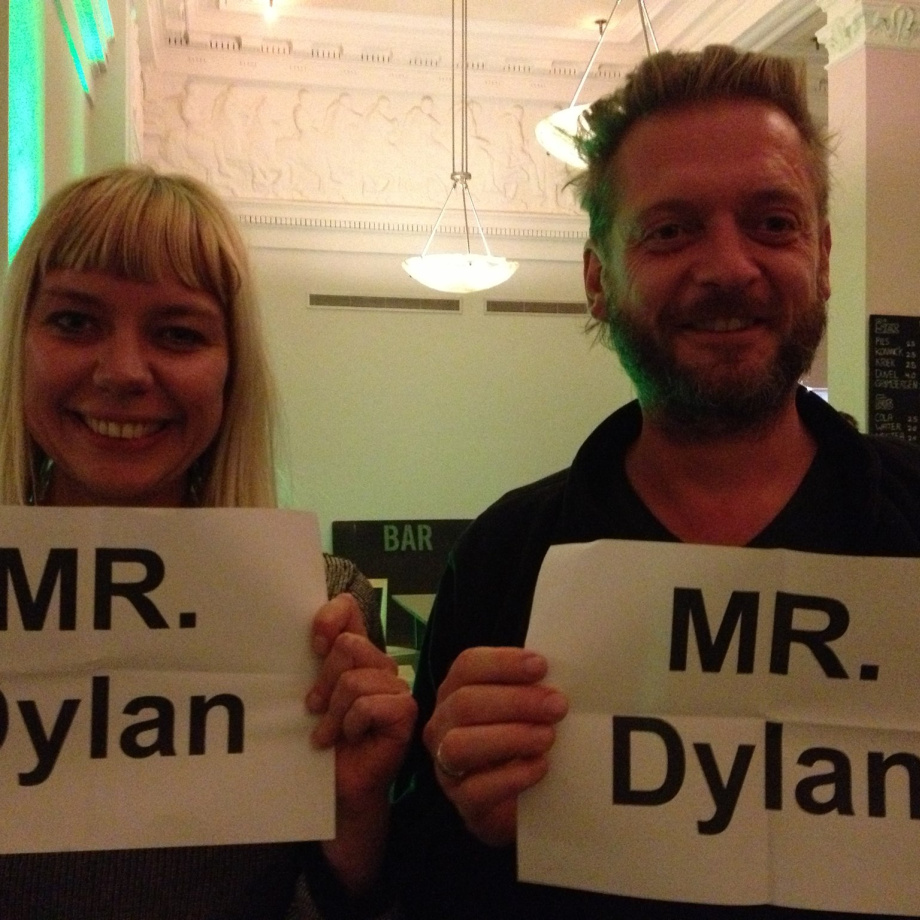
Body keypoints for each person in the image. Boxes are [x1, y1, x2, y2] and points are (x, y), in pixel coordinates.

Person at [388, 44, 920, 919]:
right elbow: (414, 887)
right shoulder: (502, 558)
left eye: (773, 223)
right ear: (598, 279)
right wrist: (463, 817)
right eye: (671, 230)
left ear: (823, 257)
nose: (730, 267)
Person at [0, 164, 416, 919]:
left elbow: (330, 902)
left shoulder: (322, 604)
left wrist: (357, 808)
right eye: (75, 322)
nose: (124, 372)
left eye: (178, 334)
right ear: (20, 343)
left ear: (230, 371)